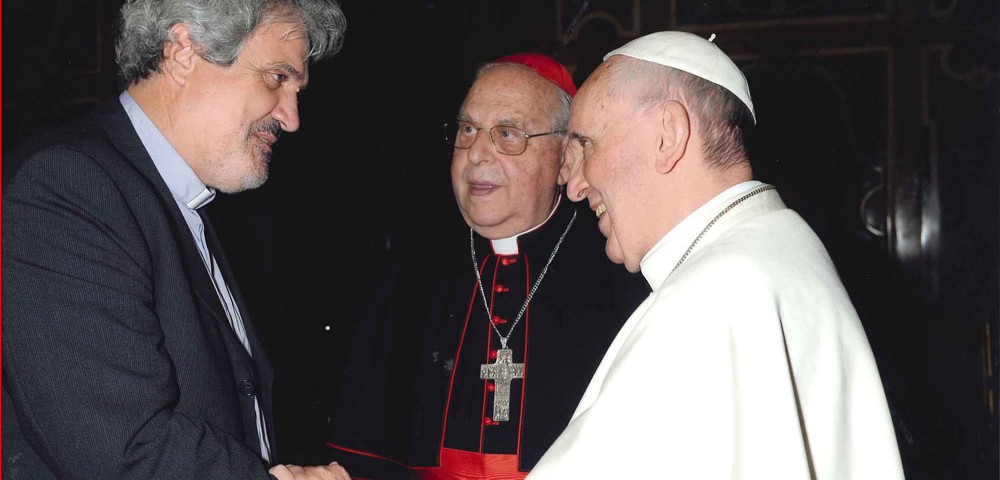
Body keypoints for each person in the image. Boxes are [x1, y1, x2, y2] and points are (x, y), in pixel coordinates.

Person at [525, 31, 906, 479]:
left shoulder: (709, 296)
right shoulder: (777, 241)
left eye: (587, 144)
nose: (574, 186)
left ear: (667, 135)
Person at [2, 1, 351, 479]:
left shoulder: (181, 198)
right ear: (185, 52)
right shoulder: (69, 186)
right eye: (276, 78)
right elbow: (121, 448)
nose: (291, 118)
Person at [322, 53, 650, 479]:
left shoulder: (621, 276)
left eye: (507, 134)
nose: (476, 154)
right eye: (467, 130)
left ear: (566, 160)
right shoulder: (409, 278)